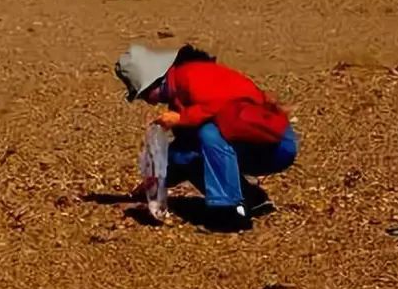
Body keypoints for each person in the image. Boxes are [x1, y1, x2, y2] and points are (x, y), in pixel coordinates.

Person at [115, 44, 298, 232]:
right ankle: (251, 198)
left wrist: (182, 118)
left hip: (275, 144)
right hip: (255, 143)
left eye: (145, 94)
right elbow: (183, 154)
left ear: (156, 81)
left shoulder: (192, 75)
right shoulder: (179, 92)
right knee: (183, 153)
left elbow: (220, 105)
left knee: (209, 133)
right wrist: (152, 186)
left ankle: (229, 213)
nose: (149, 101)